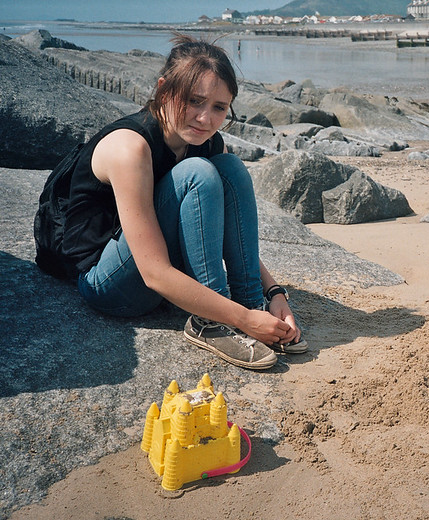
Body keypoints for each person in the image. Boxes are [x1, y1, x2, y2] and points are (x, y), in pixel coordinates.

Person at [40, 34, 305, 370]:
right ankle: (211, 322)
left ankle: (249, 300)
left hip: (156, 265)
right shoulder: (130, 148)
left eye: (219, 107)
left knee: (231, 169)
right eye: (195, 101)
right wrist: (243, 320)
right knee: (197, 173)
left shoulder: (207, 141)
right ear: (165, 90)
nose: (205, 119)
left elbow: (235, 232)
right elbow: (154, 273)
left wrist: (273, 295)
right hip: (106, 283)